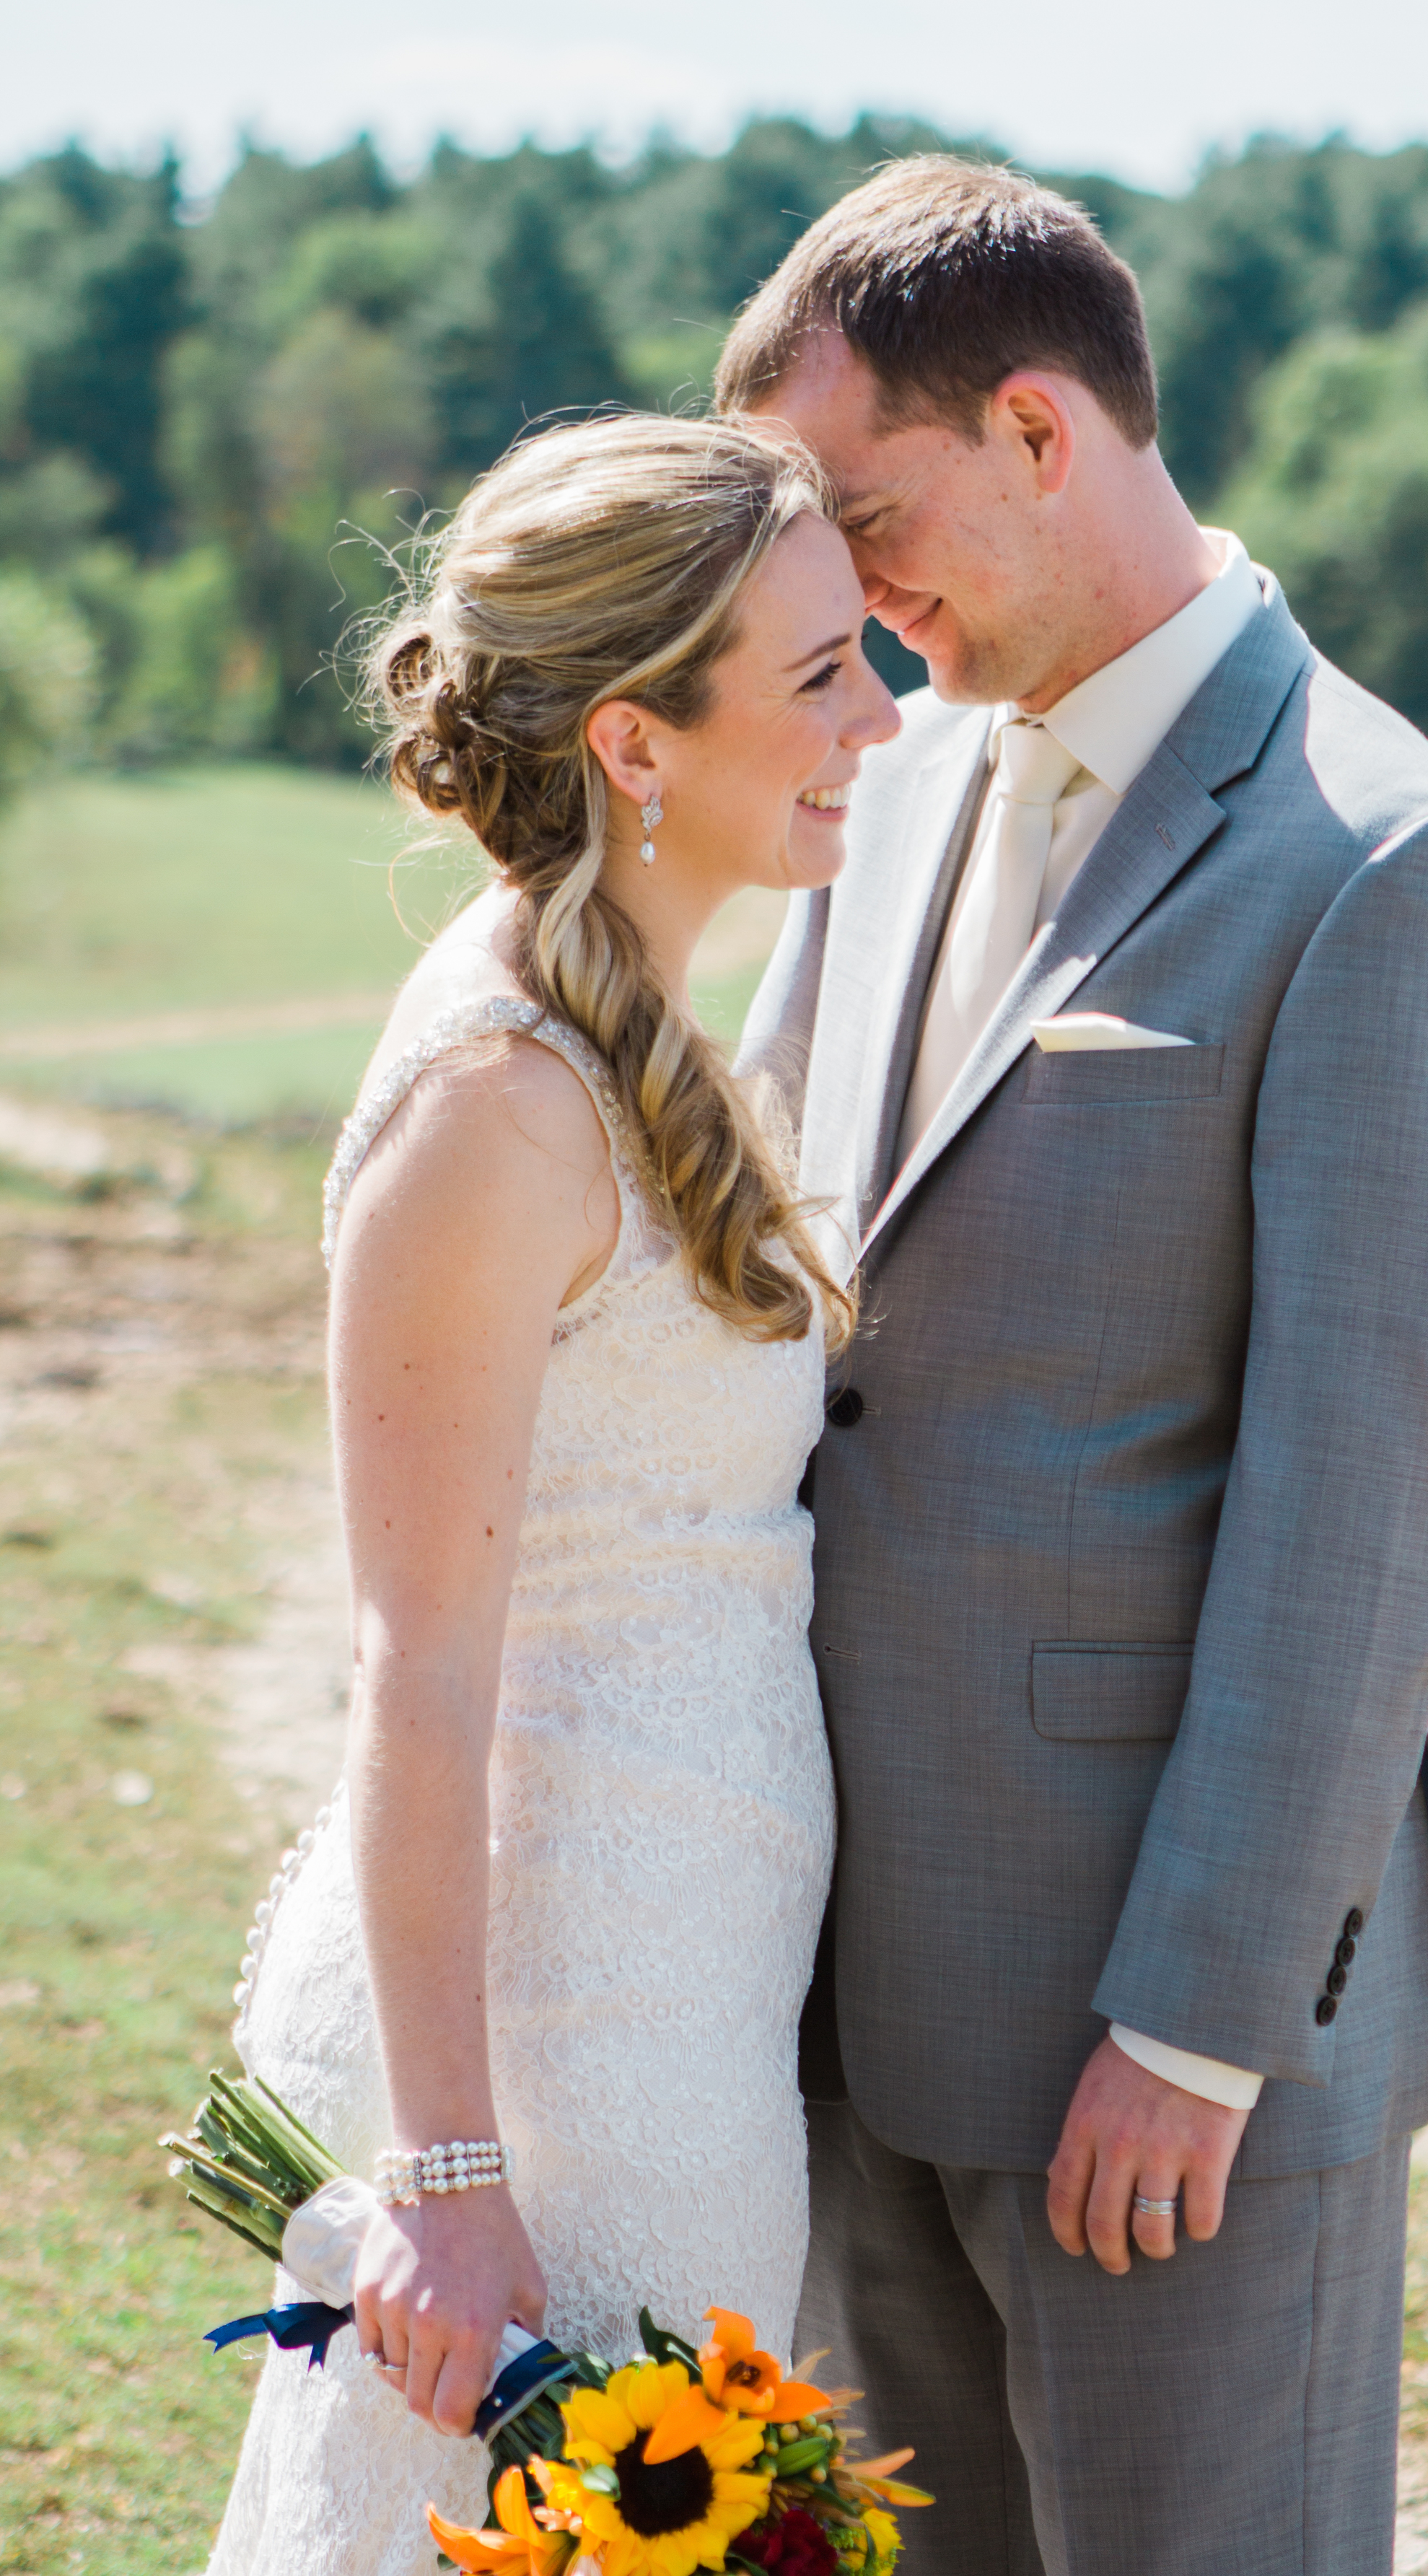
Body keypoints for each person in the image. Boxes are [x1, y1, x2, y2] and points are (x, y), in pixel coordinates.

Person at [723, 158, 1428, 2576]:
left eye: (869, 518)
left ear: (1032, 427)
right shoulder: (883, 792)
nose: (848, 602)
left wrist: (1198, 2031)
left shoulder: (1389, 863)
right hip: (842, 1971)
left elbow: (1369, 1508)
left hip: (1157, 2041)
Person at [209, 413, 900, 2575]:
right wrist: (444, 2179)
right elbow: (416, 1669)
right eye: (816, 677)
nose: (877, 717)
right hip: (551, 2053)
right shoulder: (498, 1107)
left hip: (679, 1984)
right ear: (634, 741)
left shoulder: (644, 1030)